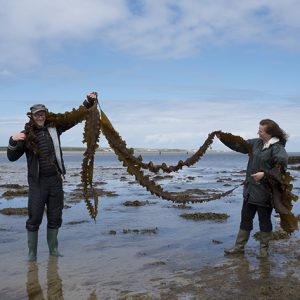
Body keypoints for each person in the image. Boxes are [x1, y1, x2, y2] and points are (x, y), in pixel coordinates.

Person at [7, 92, 98, 261]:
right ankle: (32, 254)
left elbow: (72, 118)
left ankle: (53, 250)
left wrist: (88, 102)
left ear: (45, 114)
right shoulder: (25, 135)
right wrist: (12, 141)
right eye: (37, 114)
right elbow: (11, 158)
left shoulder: (54, 127)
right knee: (34, 218)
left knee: (55, 217)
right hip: (38, 183)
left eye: (42, 114)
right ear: (32, 116)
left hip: (55, 180)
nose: (40, 117)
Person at [217, 119, 289, 258]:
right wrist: (224, 139)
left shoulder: (278, 148)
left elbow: (280, 168)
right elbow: (240, 145)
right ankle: (239, 247)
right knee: (245, 219)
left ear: (270, 133)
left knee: (264, 221)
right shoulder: (256, 143)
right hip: (250, 190)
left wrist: (264, 174)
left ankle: (263, 250)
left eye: (261, 131)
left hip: (265, 192)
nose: (258, 132)